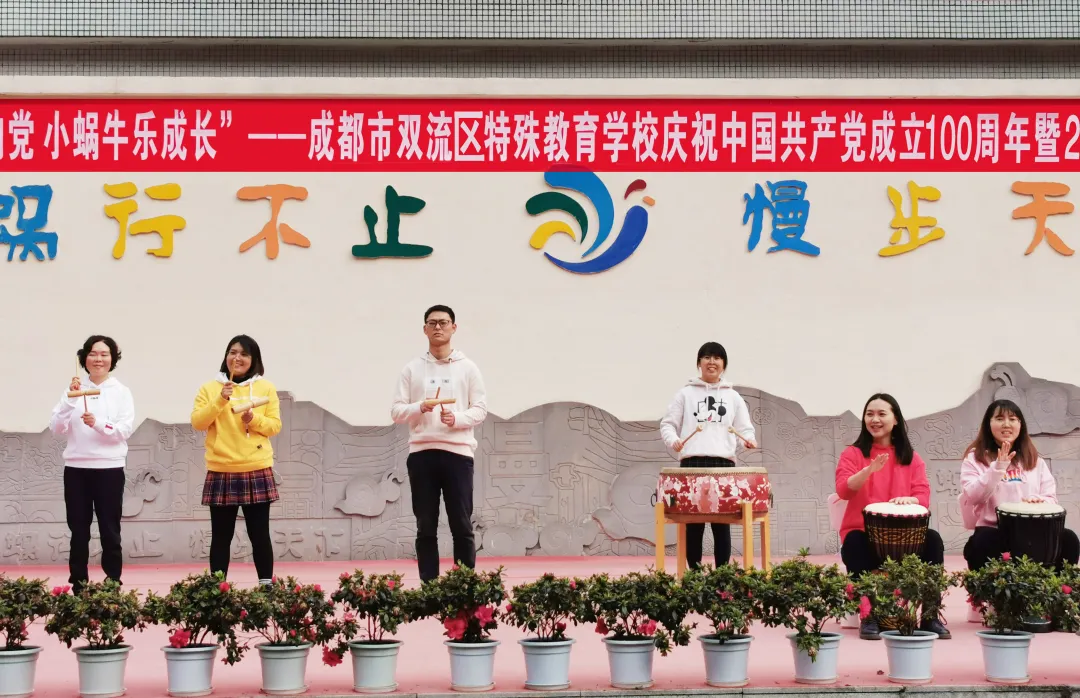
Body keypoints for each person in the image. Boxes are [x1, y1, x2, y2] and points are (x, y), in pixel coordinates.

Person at [834, 393, 949, 641]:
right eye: (869, 414)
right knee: (853, 543)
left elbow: (923, 496)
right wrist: (868, 470)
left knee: (933, 540)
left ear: (895, 419)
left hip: (905, 541)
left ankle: (930, 616)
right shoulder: (853, 454)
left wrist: (912, 500)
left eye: (881, 414)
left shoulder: (911, 458)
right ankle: (868, 616)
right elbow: (844, 490)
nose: (874, 419)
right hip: (865, 538)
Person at [391, 305, 488, 583]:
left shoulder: (468, 368)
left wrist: (456, 418)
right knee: (425, 526)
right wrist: (420, 407)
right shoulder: (412, 369)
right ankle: (430, 587)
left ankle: (464, 586)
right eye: (432, 323)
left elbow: (480, 409)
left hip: (458, 454)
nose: (438, 327)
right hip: (422, 454)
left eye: (443, 322)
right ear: (424, 329)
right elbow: (396, 412)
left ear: (453, 328)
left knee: (462, 525)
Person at [190, 335, 281, 584]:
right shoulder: (210, 388)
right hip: (222, 468)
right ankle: (217, 589)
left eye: (243, 354)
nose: (237, 358)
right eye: (232, 352)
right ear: (226, 356)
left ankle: (266, 587)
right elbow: (198, 422)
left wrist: (254, 419)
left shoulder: (266, 388)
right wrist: (221, 399)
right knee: (221, 536)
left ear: (254, 359)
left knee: (259, 534)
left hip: (256, 467)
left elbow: (274, 426)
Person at [659, 342, 757, 570]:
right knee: (693, 524)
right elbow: (667, 424)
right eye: (707, 357)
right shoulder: (685, 394)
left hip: (724, 464)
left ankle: (723, 576)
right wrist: (674, 441)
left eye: (717, 358)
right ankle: (694, 576)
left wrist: (748, 441)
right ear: (699, 363)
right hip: (692, 463)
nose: (712, 362)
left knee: (722, 524)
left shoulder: (733, 397)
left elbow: (745, 430)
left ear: (724, 364)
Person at [49, 335, 135, 593]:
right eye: (93, 354)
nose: (99, 359)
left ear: (113, 359)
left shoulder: (121, 391)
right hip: (77, 468)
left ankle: (113, 582)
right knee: (78, 529)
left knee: (110, 528)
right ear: (84, 358)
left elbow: (124, 430)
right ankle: (78, 583)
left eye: (104, 354)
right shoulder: (73, 390)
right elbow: (56, 427)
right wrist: (70, 399)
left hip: (109, 468)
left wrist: (97, 423)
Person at [959, 398, 1080, 571]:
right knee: (982, 541)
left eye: (1012, 419)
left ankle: (1057, 587)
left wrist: (1039, 501)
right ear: (988, 424)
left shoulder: (1035, 461)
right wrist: (998, 468)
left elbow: (1051, 498)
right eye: (999, 418)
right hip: (994, 530)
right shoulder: (975, 459)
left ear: (1020, 425)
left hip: (1035, 531)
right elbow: (972, 496)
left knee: (1069, 539)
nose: (1006, 424)